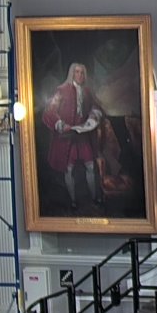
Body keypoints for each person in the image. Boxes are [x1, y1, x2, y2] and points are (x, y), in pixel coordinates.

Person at [42, 62, 105, 212]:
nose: (80, 75)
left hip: (83, 135)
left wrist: (93, 117)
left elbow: (96, 106)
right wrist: (61, 124)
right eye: (77, 72)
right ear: (72, 73)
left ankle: (95, 198)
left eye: (82, 72)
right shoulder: (61, 91)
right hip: (67, 137)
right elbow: (50, 111)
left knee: (90, 166)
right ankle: (73, 201)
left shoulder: (87, 91)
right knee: (68, 169)